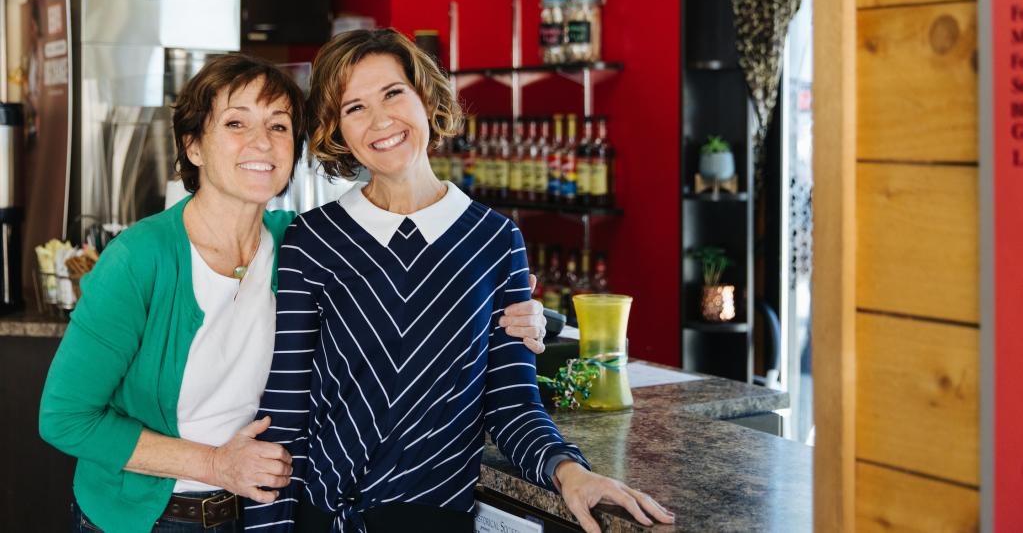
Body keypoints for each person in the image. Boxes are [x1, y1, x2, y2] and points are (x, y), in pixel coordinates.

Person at [38, 54, 547, 533]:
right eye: (236, 123)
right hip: (155, 516)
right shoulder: (138, 259)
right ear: (193, 145)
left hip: (260, 510)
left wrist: (521, 317)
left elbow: (404, 295)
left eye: (279, 126)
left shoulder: (297, 243)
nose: (262, 142)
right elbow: (64, 418)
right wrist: (217, 464)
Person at [245, 29, 674, 533]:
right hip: (320, 518)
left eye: (393, 93)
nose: (381, 121)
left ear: (426, 96)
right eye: (354, 108)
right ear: (337, 130)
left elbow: (513, 405)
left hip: (432, 520)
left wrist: (569, 470)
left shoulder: (496, 241)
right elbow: (285, 409)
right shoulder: (312, 239)